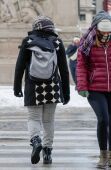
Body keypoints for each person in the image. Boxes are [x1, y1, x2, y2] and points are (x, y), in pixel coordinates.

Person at [76, 11, 111, 169]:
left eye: (109, 30)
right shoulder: (87, 42)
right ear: (96, 28)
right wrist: (82, 86)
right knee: (103, 119)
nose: (106, 33)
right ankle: (103, 155)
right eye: (103, 31)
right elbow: (81, 66)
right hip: (95, 88)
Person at [13, 15, 70, 164]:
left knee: (33, 118)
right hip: (52, 86)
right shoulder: (57, 42)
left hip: (33, 85)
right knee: (48, 121)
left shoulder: (28, 42)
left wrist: (17, 87)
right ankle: (47, 153)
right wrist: (66, 92)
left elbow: (19, 67)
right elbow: (64, 69)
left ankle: (36, 140)